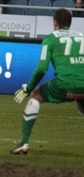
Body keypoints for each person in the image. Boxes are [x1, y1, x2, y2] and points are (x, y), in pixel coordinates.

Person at [10, 9, 84, 155]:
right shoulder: (82, 37)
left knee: (36, 96)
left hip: (65, 85)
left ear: (55, 22)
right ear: (70, 23)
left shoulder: (50, 38)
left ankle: (24, 143)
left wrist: (28, 89)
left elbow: (41, 69)